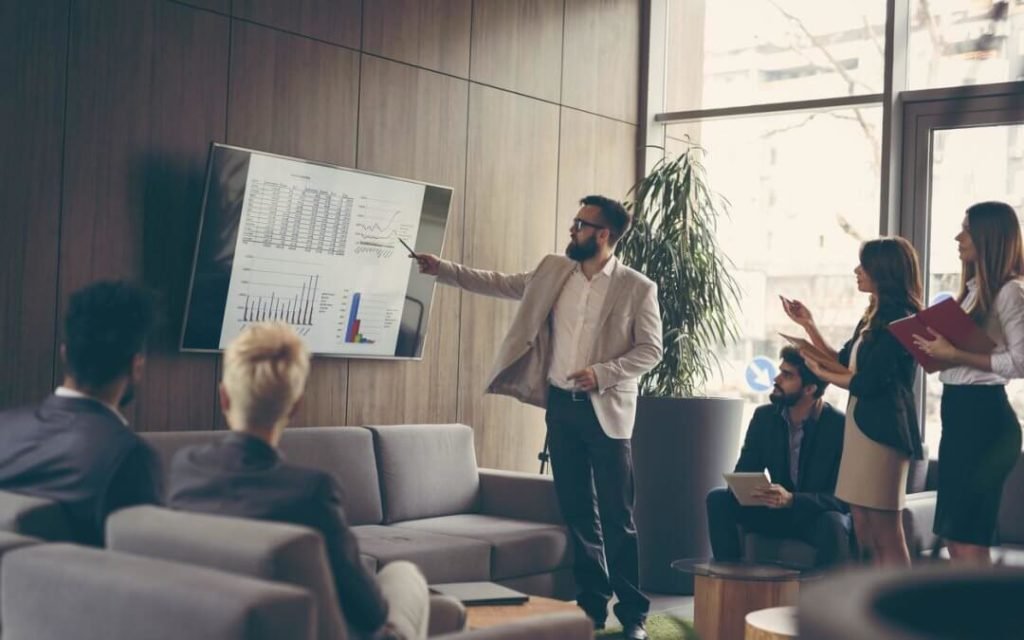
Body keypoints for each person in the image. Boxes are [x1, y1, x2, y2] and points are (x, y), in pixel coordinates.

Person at [414, 195, 662, 640]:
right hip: (562, 408)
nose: (573, 230)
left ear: (603, 234)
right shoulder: (554, 270)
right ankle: (590, 606)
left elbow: (651, 350)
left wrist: (603, 373)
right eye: (574, 222)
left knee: (617, 517)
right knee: (577, 513)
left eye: (581, 224)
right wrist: (443, 269)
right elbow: (503, 283)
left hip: (608, 413)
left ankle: (634, 615)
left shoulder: (637, 287)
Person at [166, 322, 428, 640]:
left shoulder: (185, 470)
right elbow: (369, 610)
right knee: (404, 574)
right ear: (295, 406)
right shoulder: (309, 492)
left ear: (224, 398)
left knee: (448, 612)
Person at [783, 237, 925, 566]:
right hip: (861, 428)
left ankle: (901, 609)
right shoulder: (872, 318)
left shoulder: (901, 319)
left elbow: (869, 382)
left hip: (884, 432)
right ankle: (872, 600)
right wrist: (808, 327)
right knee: (861, 521)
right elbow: (843, 360)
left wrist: (822, 372)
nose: (857, 270)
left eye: (864, 265)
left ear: (883, 271)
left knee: (887, 529)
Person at [0, 280, 162, 546]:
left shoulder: (4, 427)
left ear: (65, 353)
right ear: (136, 366)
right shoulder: (128, 457)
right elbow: (146, 559)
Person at [913, 201, 1024, 565]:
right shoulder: (973, 290)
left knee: (968, 538)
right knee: (954, 540)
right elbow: (958, 360)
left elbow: (1019, 363)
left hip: (986, 421)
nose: (958, 238)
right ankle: (970, 618)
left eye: (966, 230)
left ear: (988, 238)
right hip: (959, 416)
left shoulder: (1010, 292)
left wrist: (955, 355)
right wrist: (935, 354)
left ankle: (984, 621)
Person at [706, 347, 850, 567]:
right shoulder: (765, 417)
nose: (776, 379)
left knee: (834, 523)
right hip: (774, 511)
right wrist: (753, 489)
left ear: (810, 388)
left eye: (787, 375)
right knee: (718, 500)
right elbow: (745, 470)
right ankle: (731, 584)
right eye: (780, 371)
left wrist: (792, 500)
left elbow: (843, 499)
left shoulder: (838, 426)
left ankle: (823, 598)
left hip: (812, 515)